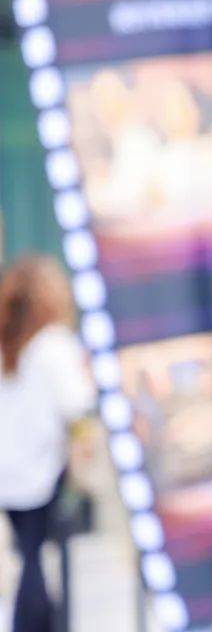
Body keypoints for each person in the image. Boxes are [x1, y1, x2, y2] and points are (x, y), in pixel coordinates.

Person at [0, 256, 95, 632]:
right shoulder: (54, 345)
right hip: (41, 473)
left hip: (10, 475)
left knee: (30, 559)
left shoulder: (11, 346)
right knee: (38, 564)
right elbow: (78, 408)